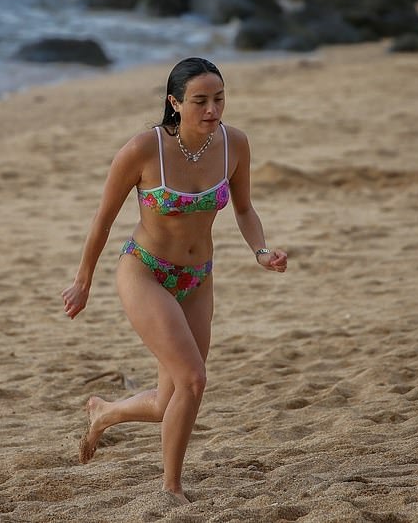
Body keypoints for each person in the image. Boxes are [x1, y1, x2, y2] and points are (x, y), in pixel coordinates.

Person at [61, 56, 287, 504]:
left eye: (219, 99)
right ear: (174, 102)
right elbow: (103, 218)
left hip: (198, 278)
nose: (212, 110)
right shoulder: (143, 150)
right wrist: (83, 280)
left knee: (170, 400)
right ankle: (171, 488)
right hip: (145, 271)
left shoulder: (234, 144)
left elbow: (243, 209)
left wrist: (260, 251)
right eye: (200, 101)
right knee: (193, 380)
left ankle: (104, 413)